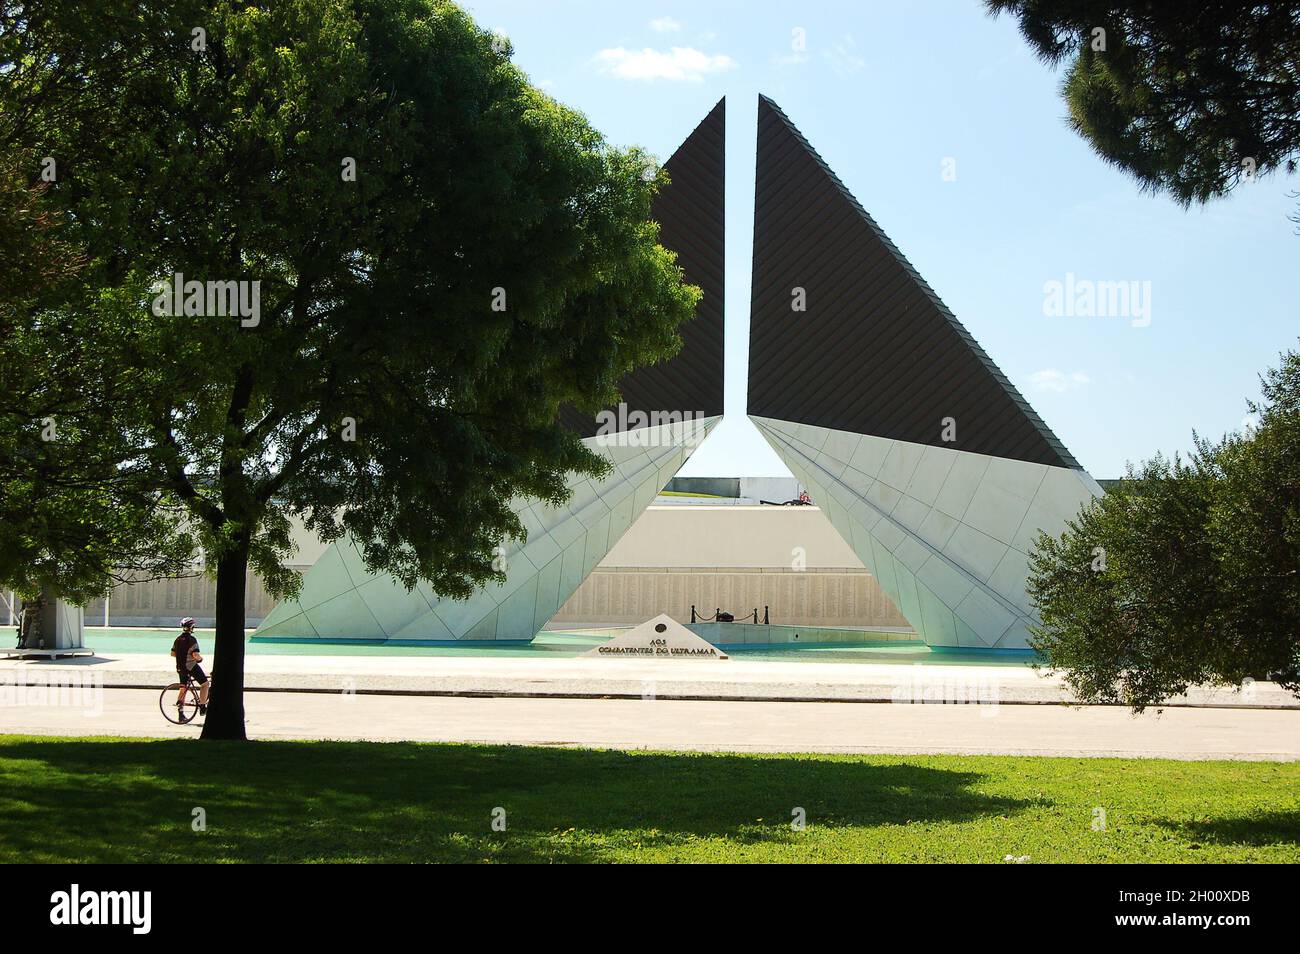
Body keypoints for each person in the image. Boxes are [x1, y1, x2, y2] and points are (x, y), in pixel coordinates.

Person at [170, 617, 209, 715]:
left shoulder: (178, 639)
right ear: (192, 627)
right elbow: (195, 655)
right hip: (191, 666)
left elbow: (173, 653)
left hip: (180, 667)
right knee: (205, 684)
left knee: (183, 687)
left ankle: (180, 713)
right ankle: (202, 707)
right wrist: (200, 659)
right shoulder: (192, 640)